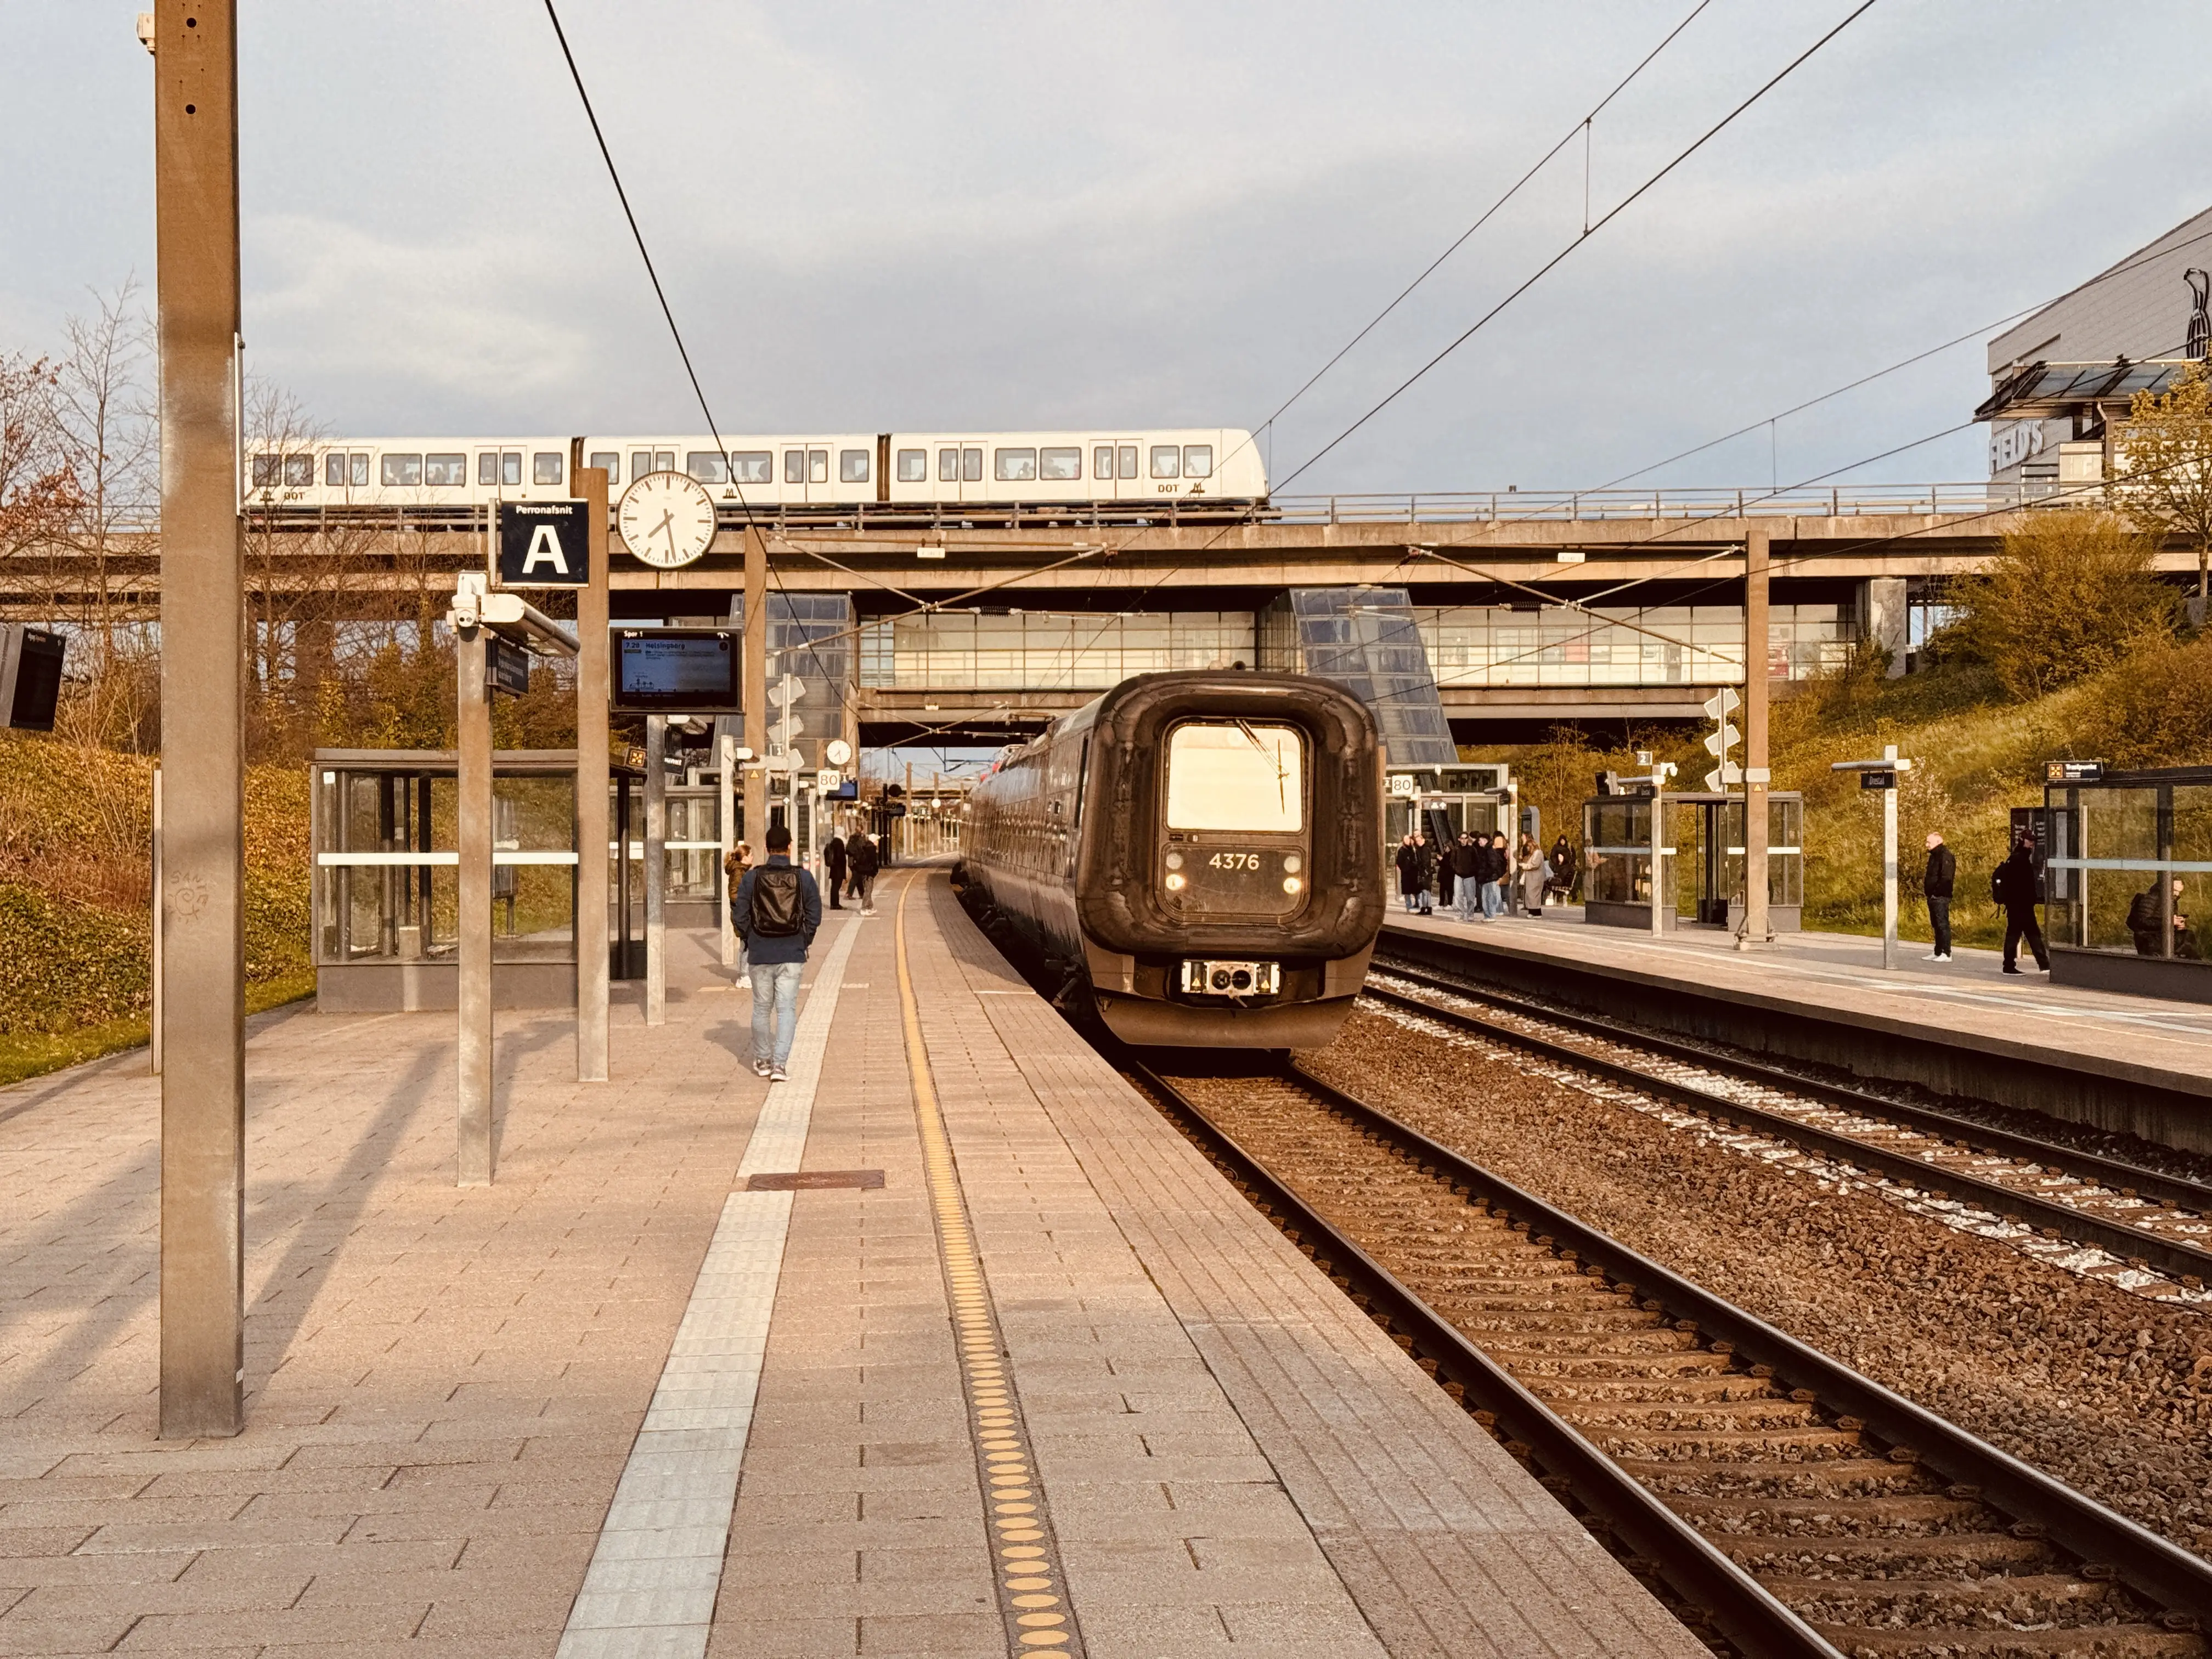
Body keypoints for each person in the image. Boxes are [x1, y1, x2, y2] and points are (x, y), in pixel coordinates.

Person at [732, 825, 822, 1083]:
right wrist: (804, 939)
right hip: (792, 952)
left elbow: (740, 915)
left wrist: (751, 937)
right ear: (790, 847)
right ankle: (780, 1065)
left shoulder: (753, 878)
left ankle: (763, 1060)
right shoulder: (803, 878)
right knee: (786, 1010)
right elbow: (815, 913)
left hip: (760, 953)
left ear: (766, 848)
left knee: (761, 1008)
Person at [1991, 831, 2049, 975]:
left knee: (2026, 934)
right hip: (2020, 905)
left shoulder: (2016, 858)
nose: (2032, 843)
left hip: (2018, 905)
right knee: (2022, 935)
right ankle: (2011, 966)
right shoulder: (2020, 860)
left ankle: (2042, 965)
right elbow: (2021, 885)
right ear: (2022, 840)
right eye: (2029, 841)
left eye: (2033, 841)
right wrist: (2029, 899)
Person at [2129, 877, 2188, 957]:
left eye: (2179, 892)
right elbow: (2143, 921)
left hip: (2161, 937)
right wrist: (2169, 922)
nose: (2177, 894)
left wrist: (2178, 924)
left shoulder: (2172, 901)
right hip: (2148, 939)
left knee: (2188, 938)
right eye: (2174, 890)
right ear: (2165, 887)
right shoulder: (2150, 898)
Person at [723, 842, 753, 989]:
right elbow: (733, 893)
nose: (753, 857)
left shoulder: (741, 870)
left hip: (742, 912)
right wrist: (746, 902)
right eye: (751, 855)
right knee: (748, 943)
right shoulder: (739, 872)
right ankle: (744, 975)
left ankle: (743, 975)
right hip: (742, 913)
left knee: (745, 942)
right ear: (744, 857)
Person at [1921, 831, 1955, 962]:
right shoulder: (1934, 856)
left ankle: (1946, 953)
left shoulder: (1945, 856)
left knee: (1942, 924)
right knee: (1936, 924)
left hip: (1941, 897)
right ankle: (1938, 951)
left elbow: (1946, 877)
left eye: (1929, 842)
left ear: (1938, 842)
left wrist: (1937, 892)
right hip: (1932, 896)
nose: (1927, 845)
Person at [847, 827, 880, 916]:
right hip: (869, 872)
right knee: (868, 890)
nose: (878, 842)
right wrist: (874, 870)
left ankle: (869, 906)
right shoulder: (871, 849)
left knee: (869, 889)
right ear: (874, 841)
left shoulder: (866, 847)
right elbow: (873, 862)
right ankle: (865, 907)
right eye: (877, 840)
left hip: (866, 871)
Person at [1450, 832, 1482, 923]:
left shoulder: (1472, 850)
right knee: (1458, 896)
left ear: (1468, 839)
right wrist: (1456, 869)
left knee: (1470, 897)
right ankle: (1460, 914)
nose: (1464, 840)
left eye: (1465, 838)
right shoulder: (1456, 849)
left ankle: (1470, 914)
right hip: (1459, 875)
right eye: (1462, 838)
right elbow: (1452, 861)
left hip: (1470, 876)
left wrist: (1472, 870)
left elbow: (1477, 862)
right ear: (1459, 839)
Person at [1515, 832, 1548, 918]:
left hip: (1536, 878)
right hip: (1532, 877)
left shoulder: (1538, 853)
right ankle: (1533, 911)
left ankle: (1535, 912)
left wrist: (1525, 866)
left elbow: (1535, 865)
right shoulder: (1533, 854)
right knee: (1530, 894)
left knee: (1534, 895)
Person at [1479, 832, 1509, 921]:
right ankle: (1488, 915)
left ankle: (1491, 915)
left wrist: (1486, 874)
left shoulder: (1490, 851)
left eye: (1480, 841)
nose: (1479, 842)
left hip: (1490, 878)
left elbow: (1493, 865)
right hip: (1486, 878)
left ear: (1485, 841)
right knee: (1485, 898)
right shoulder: (1485, 851)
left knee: (1490, 897)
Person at [1545, 834, 1577, 907]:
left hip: (1567, 867)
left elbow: (1573, 857)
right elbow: (1553, 856)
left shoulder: (1568, 848)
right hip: (1559, 867)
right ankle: (1558, 897)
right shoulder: (1556, 848)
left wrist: (1569, 862)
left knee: (1568, 877)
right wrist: (1558, 862)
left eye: (1564, 841)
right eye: (1561, 841)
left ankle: (1573, 897)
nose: (1562, 842)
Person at [1395, 833, 1424, 913]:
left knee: (1416, 890)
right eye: (1406, 839)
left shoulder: (1414, 849)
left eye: (1408, 839)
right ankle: (1409, 906)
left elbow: (1417, 859)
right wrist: (1405, 868)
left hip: (1414, 872)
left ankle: (1419, 904)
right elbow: (1399, 862)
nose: (1408, 841)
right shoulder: (1402, 850)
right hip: (1406, 874)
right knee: (1407, 891)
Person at [822, 830, 848, 911]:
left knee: (834, 886)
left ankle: (834, 904)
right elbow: (840, 857)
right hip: (839, 869)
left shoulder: (834, 842)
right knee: (836, 887)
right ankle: (835, 904)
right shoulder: (839, 843)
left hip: (834, 869)